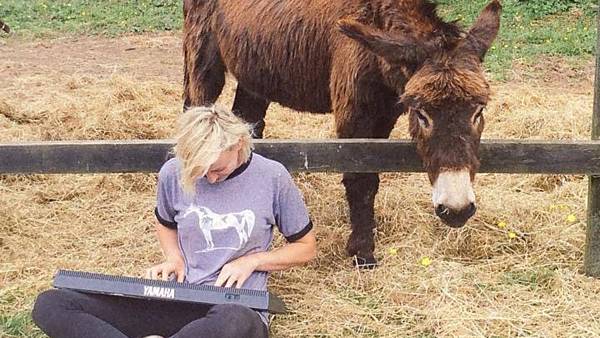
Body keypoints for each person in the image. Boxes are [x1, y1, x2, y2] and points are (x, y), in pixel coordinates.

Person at [32, 104, 317, 338]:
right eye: (201, 171)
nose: (210, 178)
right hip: (178, 298)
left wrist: (253, 261)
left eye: (217, 168)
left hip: (233, 307)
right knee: (52, 303)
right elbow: (165, 222)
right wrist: (174, 258)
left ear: (239, 143)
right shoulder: (173, 172)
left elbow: (306, 247)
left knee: (234, 321)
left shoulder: (272, 177)